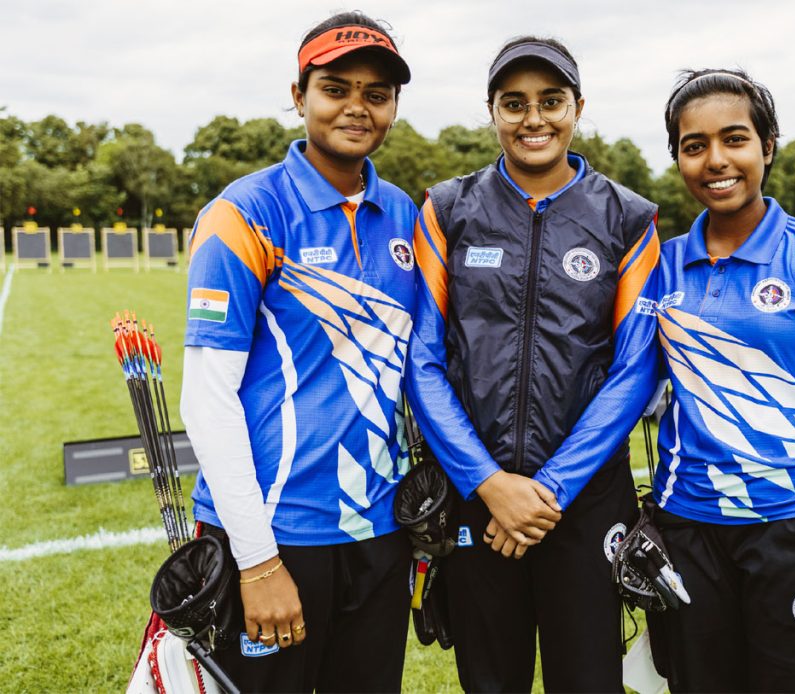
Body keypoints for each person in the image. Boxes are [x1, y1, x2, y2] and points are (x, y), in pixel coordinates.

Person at [407, 36, 661, 692]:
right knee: (491, 681)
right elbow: (425, 361)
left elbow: (634, 370)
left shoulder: (628, 217)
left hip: (583, 502)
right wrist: (490, 483)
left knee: (589, 681)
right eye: (514, 103)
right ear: (491, 111)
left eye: (551, 101)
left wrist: (548, 488)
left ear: (579, 106)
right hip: (476, 500)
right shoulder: (446, 209)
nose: (534, 119)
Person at [179, 12, 417, 692]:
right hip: (275, 535)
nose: (357, 107)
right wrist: (256, 563)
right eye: (336, 88)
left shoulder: (407, 214)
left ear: (394, 105)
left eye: (376, 93)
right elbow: (207, 398)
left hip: (377, 530)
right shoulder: (245, 211)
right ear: (299, 94)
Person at [647, 68, 795, 692]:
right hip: (687, 529)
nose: (715, 160)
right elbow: (638, 392)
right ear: (677, 156)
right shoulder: (658, 263)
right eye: (693, 146)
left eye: (735, 139)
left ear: (768, 146)